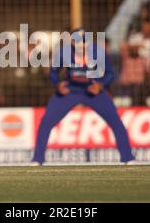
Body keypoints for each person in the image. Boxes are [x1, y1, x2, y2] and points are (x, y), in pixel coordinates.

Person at [32, 29, 135, 165]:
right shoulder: (64, 52)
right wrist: (58, 85)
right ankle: (38, 160)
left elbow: (110, 73)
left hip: (92, 91)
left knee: (116, 122)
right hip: (71, 90)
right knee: (46, 122)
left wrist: (101, 85)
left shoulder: (98, 52)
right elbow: (53, 71)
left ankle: (128, 158)